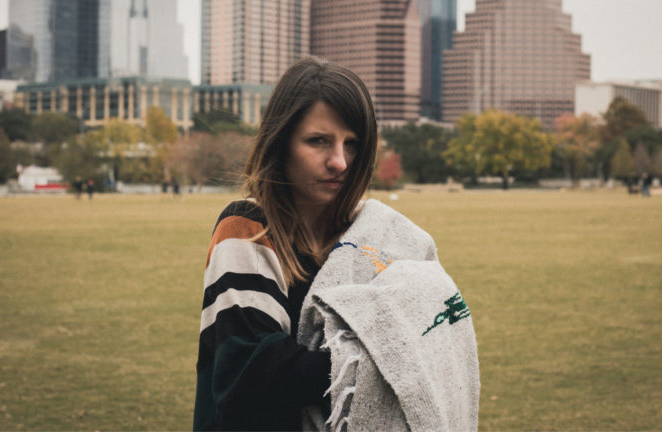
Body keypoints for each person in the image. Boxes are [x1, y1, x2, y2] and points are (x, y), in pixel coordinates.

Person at [193, 57, 479, 431]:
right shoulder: (249, 228)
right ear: (281, 143)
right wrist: (398, 359)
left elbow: (441, 334)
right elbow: (251, 374)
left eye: (353, 144)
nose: (340, 162)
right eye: (318, 141)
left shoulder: (374, 234)